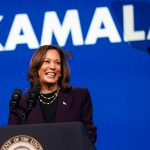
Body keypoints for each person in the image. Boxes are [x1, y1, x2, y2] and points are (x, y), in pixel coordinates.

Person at [8, 44, 97, 144]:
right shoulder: (21, 103)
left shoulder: (79, 96)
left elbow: (90, 136)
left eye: (57, 63)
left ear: (61, 70)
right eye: (47, 61)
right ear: (37, 68)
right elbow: (13, 141)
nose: (53, 67)